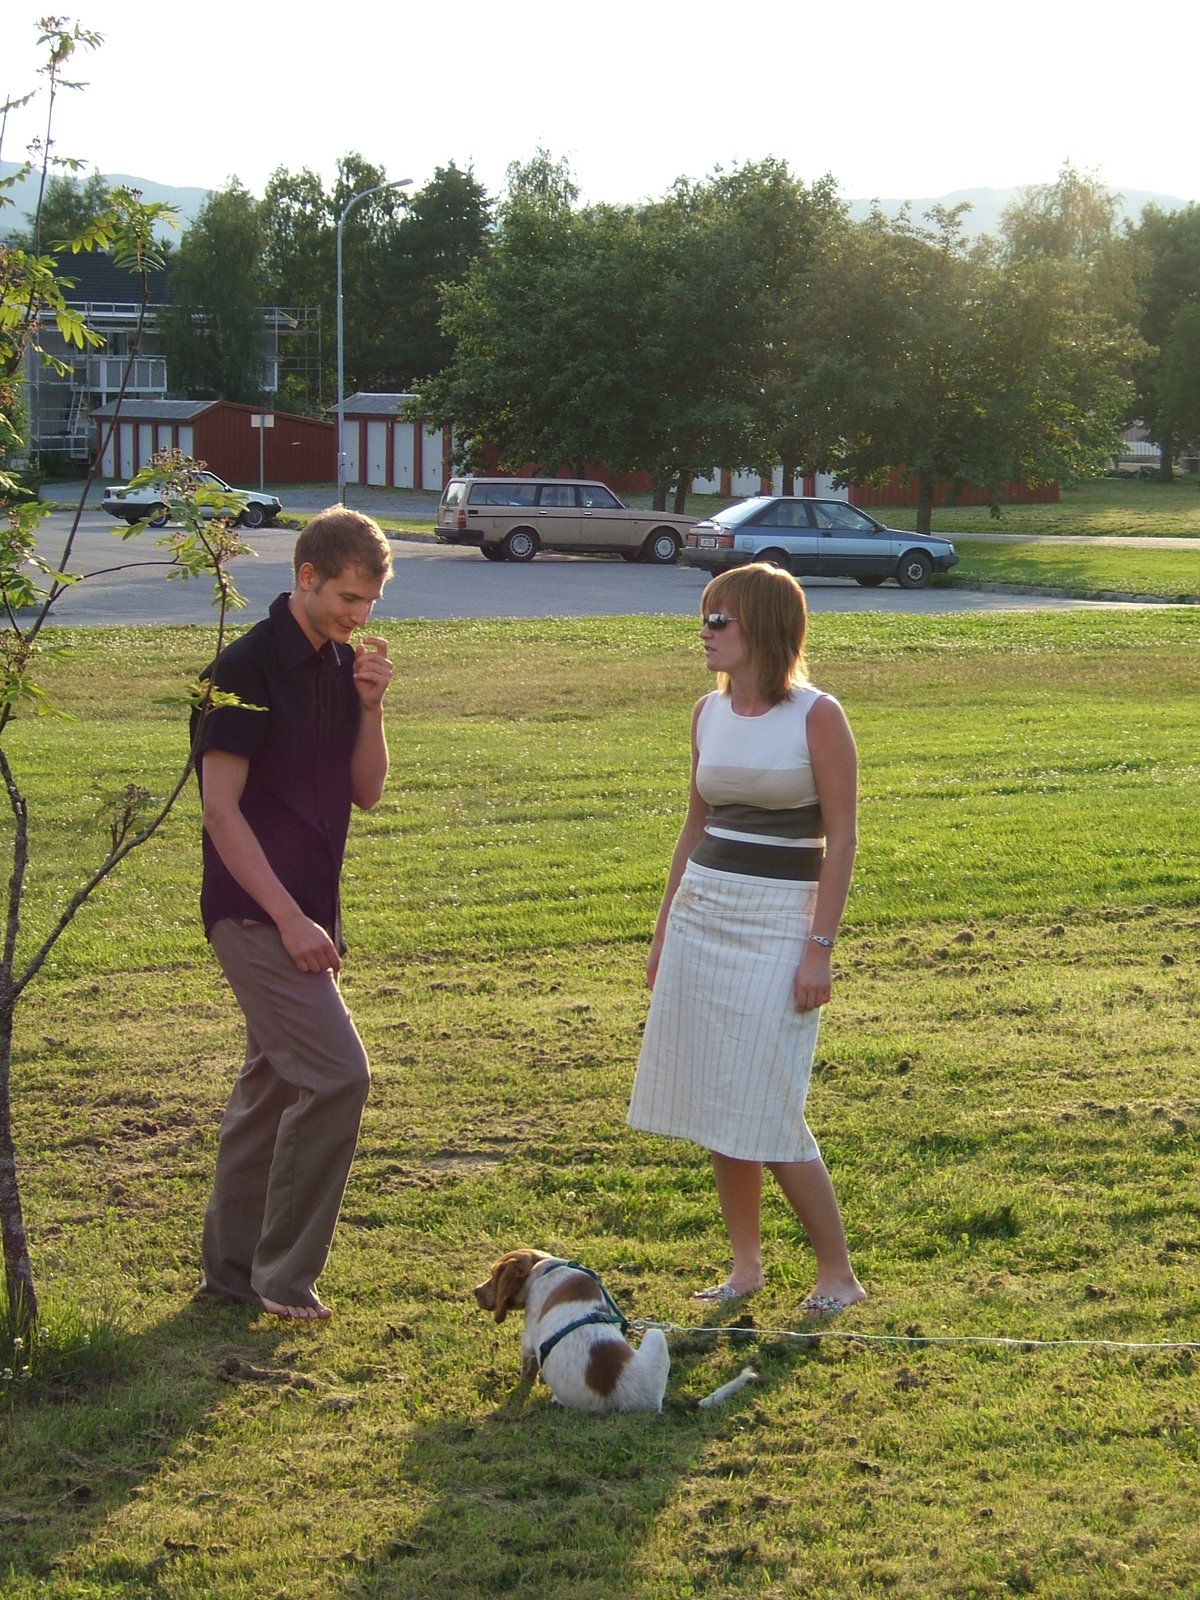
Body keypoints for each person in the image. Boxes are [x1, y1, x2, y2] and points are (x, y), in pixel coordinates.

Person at [627, 563, 865, 1315]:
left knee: (766, 1098)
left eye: (718, 619)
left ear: (761, 627)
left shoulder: (818, 716)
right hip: (704, 914)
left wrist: (819, 947)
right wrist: (663, 932)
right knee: (719, 1100)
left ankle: (838, 1275)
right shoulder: (706, 712)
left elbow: (843, 839)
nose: (703, 632)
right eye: (704, 617)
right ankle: (746, 1267)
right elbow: (693, 825)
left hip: (780, 923)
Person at [193, 507, 394, 1321]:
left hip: (307, 911)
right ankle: (282, 1278)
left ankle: (230, 1275)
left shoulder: (340, 665)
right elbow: (220, 812)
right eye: (348, 597)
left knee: (271, 1092)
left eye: (370, 601)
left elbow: (366, 792)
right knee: (341, 1077)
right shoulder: (244, 669)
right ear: (306, 577)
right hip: (255, 913)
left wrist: (372, 708)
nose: (359, 614)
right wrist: (288, 920)